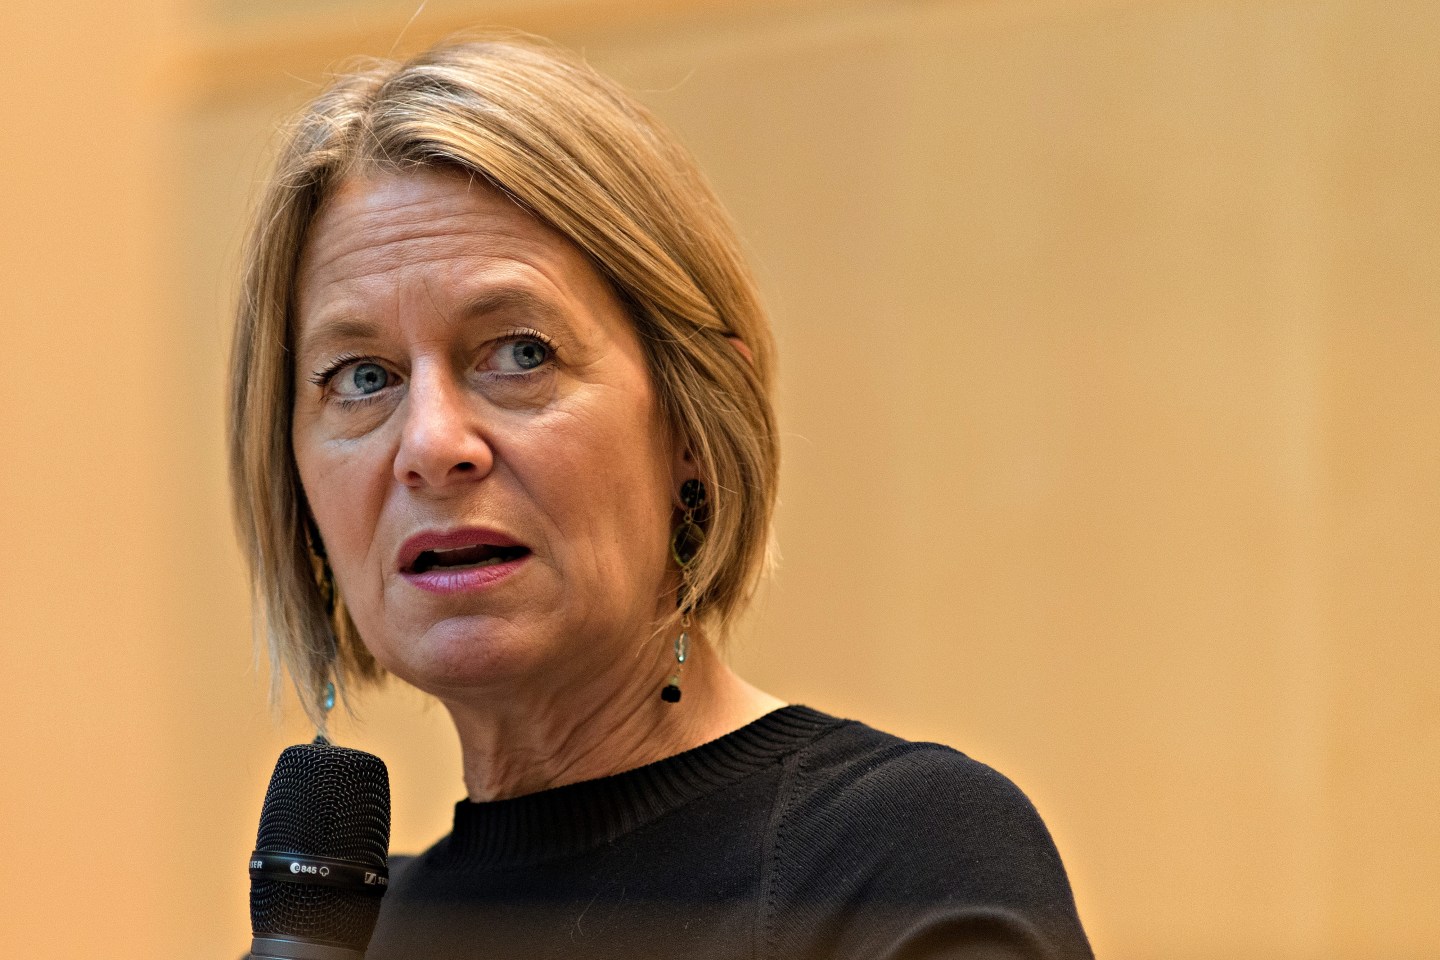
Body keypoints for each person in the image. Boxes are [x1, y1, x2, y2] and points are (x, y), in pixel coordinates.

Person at [229, 34, 1092, 960]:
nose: (433, 447)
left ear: (691, 421)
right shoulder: (340, 940)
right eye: (362, 377)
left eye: (521, 353)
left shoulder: (896, 858)